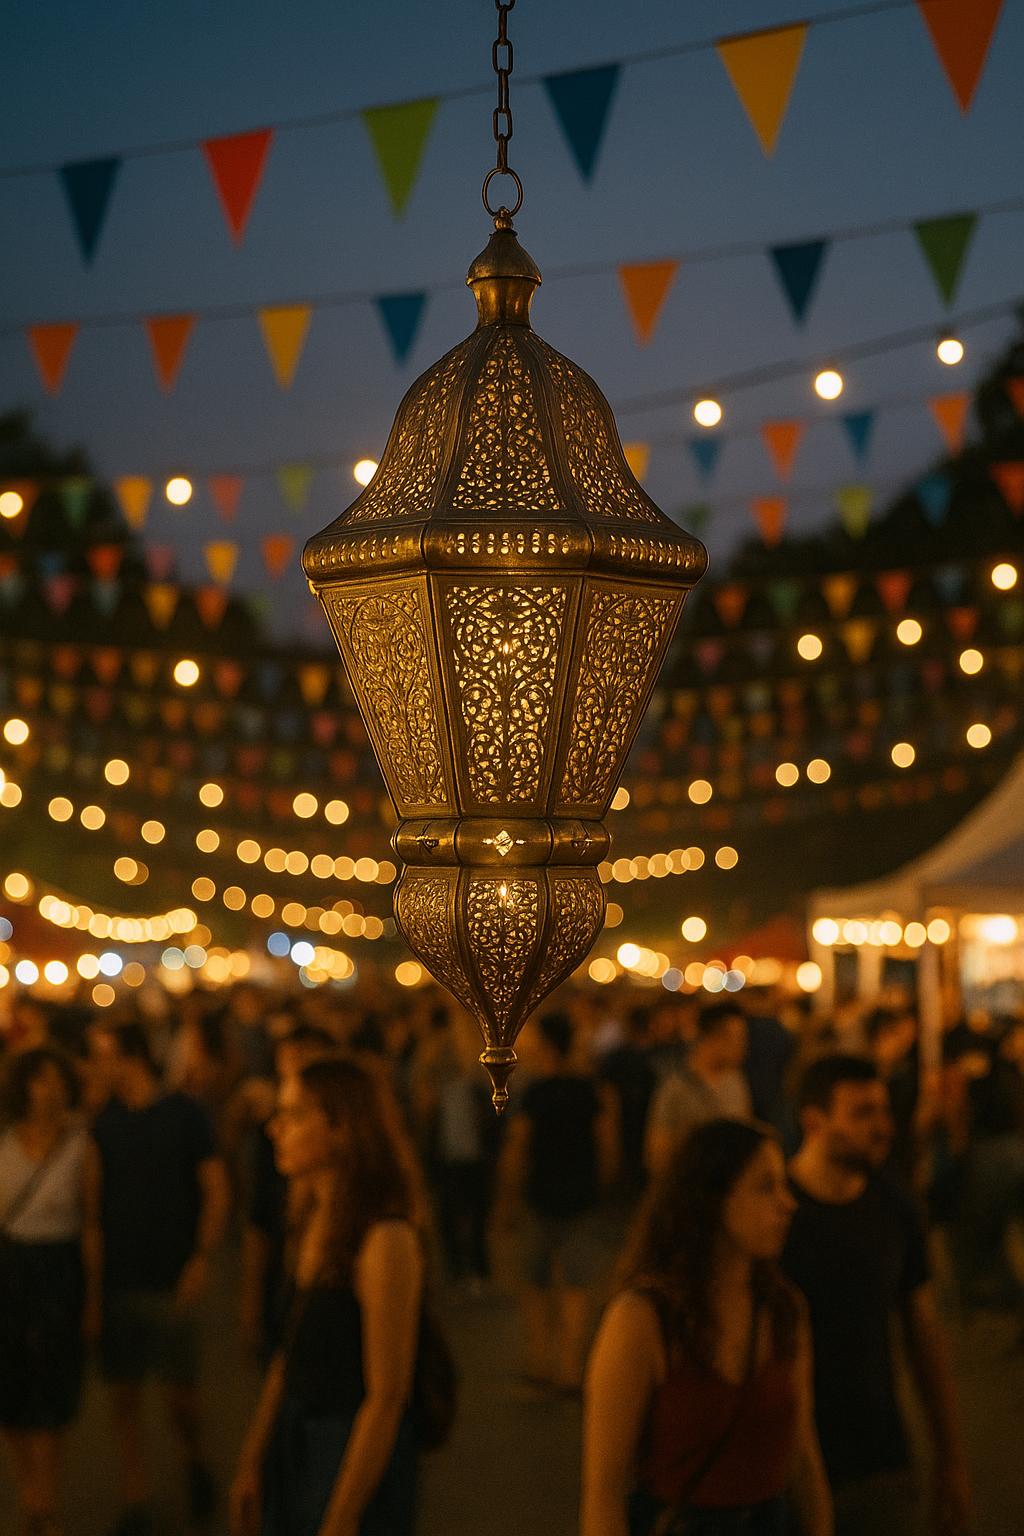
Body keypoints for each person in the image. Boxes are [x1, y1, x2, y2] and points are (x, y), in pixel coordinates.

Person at [582, 1117, 831, 1536]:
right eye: (765, 1187)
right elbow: (603, 1492)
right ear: (712, 1200)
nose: (788, 1203)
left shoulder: (784, 1310)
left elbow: (802, 1455)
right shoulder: (643, 1319)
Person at [230, 1054, 425, 1536]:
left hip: (349, 1453)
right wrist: (253, 1459)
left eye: (293, 1116)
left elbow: (387, 1396)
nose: (275, 1129)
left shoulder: (384, 1238)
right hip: (295, 1440)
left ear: (342, 1129)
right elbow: (290, 1353)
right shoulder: (312, 1220)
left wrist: (341, 1519)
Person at [782, 1053, 970, 1536]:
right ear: (814, 1121)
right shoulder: (775, 1212)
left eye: (884, 1111)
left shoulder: (895, 1205)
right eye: (861, 1113)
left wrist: (949, 1457)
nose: (883, 1127)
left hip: (878, 1454)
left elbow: (922, 1331)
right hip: (781, 1462)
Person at [85, 1021, 230, 1536]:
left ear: (129, 1056)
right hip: (121, 1278)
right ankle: (135, 1498)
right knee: (124, 1397)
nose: (95, 1067)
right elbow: (92, 1210)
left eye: (102, 1056)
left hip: (172, 1274)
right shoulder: (100, 1123)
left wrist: (201, 1258)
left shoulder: (184, 1114)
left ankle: (195, 1461)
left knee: (180, 1397)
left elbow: (214, 1187)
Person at [495, 1010, 619, 1392]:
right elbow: (608, 1144)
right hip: (581, 1195)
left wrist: (507, 1201)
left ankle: (541, 1359)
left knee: (534, 1282)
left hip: (538, 1195)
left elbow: (518, 1149)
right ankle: (571, 1367)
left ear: (547, 1044)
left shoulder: (533, 1092)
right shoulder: (592, 1090)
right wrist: (604, 1186)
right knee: (577, 1285)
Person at [0, 1047, 95, 1536]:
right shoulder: (5, 1141)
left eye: (57, 1078)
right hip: (12, 1268)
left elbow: (93, 1224)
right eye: (39, 1080)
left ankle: (47, 1501)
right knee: (12, 1388)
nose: (49, 1089)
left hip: (59, 1268)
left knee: (53, 1388)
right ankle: (29, 1490)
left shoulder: (81, 1142)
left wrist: (93, 1298)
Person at [645, 1002, 751, 1178]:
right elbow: (657, 1156)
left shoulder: (736, 1081)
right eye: (739, 1039)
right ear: (715, 1038)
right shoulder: (675, 1086)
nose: (745, 1047)